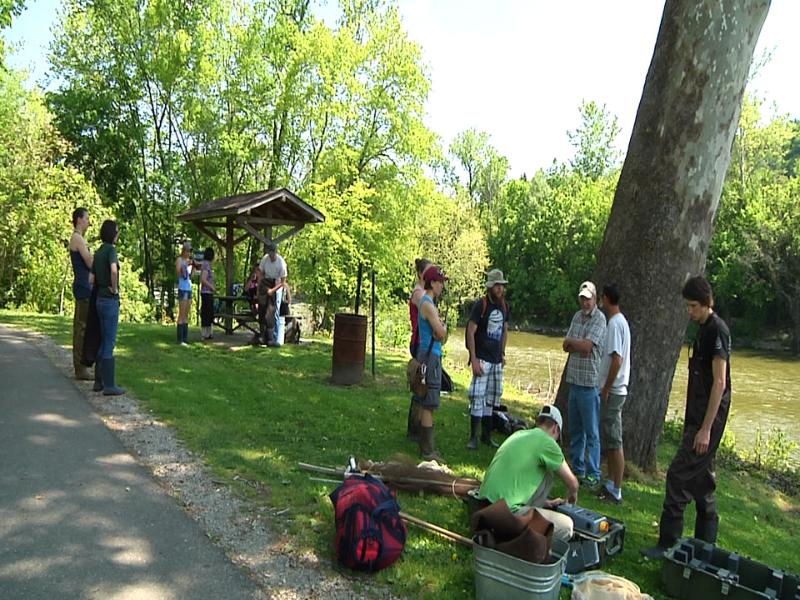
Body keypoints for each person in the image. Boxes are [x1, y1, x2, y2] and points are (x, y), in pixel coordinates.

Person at [641, 275, 731, 559]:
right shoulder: (703, 329)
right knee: (703, 482)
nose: (689, 311)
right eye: (687, 306)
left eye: (693, 306)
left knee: (678, 476)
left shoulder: (717, 330)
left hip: (708, 419)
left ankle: (667, 544)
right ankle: (706, 548)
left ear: (706, 303)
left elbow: (720, 383)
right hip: (697, 416)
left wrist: (705, 429)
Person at [477, 404, 579, 543]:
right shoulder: (548, 443)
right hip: (507, 515)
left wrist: (546, 503)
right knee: (566, 526)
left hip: (483, 507)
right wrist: (572, 497)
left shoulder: (518, 435)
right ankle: (530, 546)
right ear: (556, 428)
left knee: (543, 469)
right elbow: (573, 484)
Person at [562, 281, 607, 488]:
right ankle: (577, 469)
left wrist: (575, 343)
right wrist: (575, 344)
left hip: (589, 384)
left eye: (588, 299)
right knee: (576, 430)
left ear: (595, 299)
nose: (585, 302)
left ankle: (593, 473)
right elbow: (565, 345)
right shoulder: (576, 317)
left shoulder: (599, 319)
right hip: (574, 381)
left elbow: (587, 347)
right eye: (582, 299)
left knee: (592, 432)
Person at [466, 268, 510, 450]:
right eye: (497, 285)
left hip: (496, 359)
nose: (500, 289)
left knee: (492, 397)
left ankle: (486, 436)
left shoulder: (504, 306)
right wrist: (473, 358)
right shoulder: (481, 305)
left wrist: (502, 353)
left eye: (502, 286)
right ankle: (473, 438)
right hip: (482, 358)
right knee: (477, 396)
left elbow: (505, 330)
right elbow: (470, 331)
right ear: (490, 287)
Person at [597, 283, 631, 504]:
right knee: (609, 438)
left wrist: (607, 387)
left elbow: (617, 360)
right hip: (614, 389)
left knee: (614, 439)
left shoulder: (615, 324)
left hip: (615, 390)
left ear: (607, 299)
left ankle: (616, 489)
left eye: (602, 298)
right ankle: (610, 483)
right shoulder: (619, 322)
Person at [415, 265, 448, 461]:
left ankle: (423, 445)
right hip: (430, 357)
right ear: (432, 282)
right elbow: (441, 333)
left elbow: (439, 332)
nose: (442, 286)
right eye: (440, 282)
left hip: (428, 354)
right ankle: (428, 452)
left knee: (424, 400)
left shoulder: (428, 303)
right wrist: (442, 328)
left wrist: (440, 330)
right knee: (429, 403)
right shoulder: (427, 304)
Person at [92, 219, 125, 396]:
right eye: (117, 231)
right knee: (109, 342)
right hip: (110, 300)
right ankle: (109, 385)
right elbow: (114, 270)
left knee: (102, 339)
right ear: (112, 234)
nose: (118, 234)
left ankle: (98, 381)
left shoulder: (98, 252)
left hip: (99, 298)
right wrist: (114, 288)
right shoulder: (111, 251)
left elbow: (91, 279)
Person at [406, 257, 431, 441]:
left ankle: (419, 426)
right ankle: (414, 429)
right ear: (421, 274)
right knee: (419, 384)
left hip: (423, 341)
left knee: (423, 384)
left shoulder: (423, 293)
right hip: (419, 342)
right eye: (429, 272)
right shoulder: (419, 293)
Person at [69, 207, 93, 380]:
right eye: (86, 219)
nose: (88, 222)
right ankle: (80, 368)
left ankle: (82, 366)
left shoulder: (79, 238)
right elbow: (90, 262)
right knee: (82, 328)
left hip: (83, 285)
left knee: (82, 326)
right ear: (79, 219)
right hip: (83, 286)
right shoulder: (77, 238)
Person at [256, 241, 288, 346]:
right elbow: (260, 274)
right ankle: (262, 336)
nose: (271, 255)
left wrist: (272, 290)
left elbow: (283, 282)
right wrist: (259, 289)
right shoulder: (265, 259)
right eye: (269, 253)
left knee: (272, 312)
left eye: (272, 253)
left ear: (275, 252)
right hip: (265, 284)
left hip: (277, 285)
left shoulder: (281, 263)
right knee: (262, 310)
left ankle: (273, 338)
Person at [175, 241, 196, 344]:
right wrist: (185, 265)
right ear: (183, 251)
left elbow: (190, 276)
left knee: (186, 314)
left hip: (189, 288)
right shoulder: (179, 260)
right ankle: (179, 339)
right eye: (187, 251)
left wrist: (194, 267)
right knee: (182, 314)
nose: (188, 253)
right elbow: (178, 273)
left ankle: (185, 338)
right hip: (182, 289)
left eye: (190, 251)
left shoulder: (189, 261)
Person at [199, 247, 216, 340]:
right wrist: (211, 286)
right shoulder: (206, 265)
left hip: (209, 293)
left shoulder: (208, 265)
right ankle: (204, 333)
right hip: (206, 292)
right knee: (206, 313)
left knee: (210, 313)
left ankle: (209, 333)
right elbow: (203, 279)